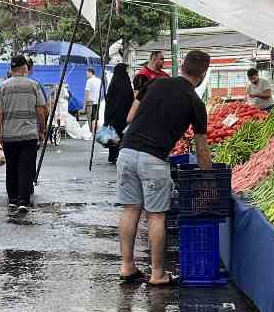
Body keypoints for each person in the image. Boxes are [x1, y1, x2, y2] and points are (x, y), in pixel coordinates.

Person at [118, 49, 212, 289]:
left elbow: (130, 117)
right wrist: (207, 178)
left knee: (130, 210)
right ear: (203, 74)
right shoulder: (195, 102)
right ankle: (158, 274)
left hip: (127, 152)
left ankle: (127, 267)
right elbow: (201, 149)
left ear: (182, 66)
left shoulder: (154, 84)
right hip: (153, 158)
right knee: (156, 215)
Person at [0, 56, 48, 214]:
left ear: (11, 69)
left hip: (9, 135)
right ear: (25, 68)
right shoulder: (34, 85)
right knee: (26, 167)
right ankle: (24, 201)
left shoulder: (2, 87)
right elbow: (41, 110)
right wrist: (41, 131)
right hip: (29, 135)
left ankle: (12, 200)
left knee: (11, 167)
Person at [103, 61, 134, 164]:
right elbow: (130, 98)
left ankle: (113, 156)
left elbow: (109, 102)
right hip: (124, 114)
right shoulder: (126, 82)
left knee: (114, 136)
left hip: (114, 115)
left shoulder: (113, 83)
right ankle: (121, 156)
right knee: (123, 136)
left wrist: (107, 119)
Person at [84, 66, 104, 130]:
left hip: (90, 102)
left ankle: (92, 133)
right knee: (96, 118)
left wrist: (85, 104)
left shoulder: (89, 81)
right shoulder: (99, 80)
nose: (86, 75)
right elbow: (101, 91)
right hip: (97, 101)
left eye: (87, 73)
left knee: (91, 118)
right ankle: (96, 132)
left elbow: (87, 92)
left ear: (90, 73)